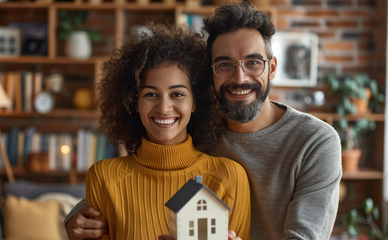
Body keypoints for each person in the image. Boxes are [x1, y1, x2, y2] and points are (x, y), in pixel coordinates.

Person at [66, 2, 342, 240]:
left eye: (253, 62)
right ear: (209, 74)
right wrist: (75, 219)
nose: (239, 77)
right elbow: (132, 185)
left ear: (271, 68)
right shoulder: (195, 126)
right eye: (224, 64)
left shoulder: (315, 141)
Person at [80, 23, 250, 240]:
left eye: (177, 94)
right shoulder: (104, 177)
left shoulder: (229, 177)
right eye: (151, 95)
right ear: (134, 103)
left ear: (195, 102)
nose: (163, 108)